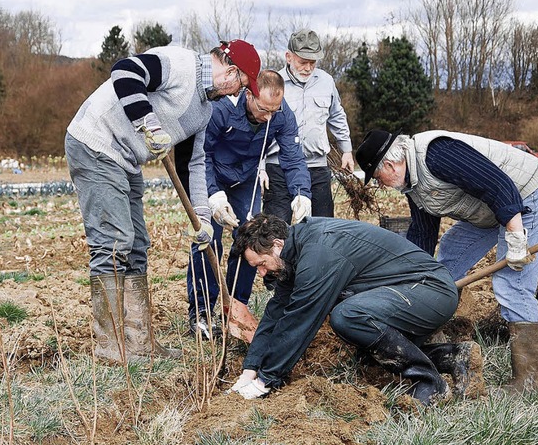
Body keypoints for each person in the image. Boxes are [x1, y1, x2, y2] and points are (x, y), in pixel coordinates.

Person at [64, 39, 261, 362]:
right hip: (96, 142)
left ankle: (140, 342)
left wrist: (202, 219)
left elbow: (194, 164)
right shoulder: (179, 63)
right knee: (114, 243)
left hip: (125, 159)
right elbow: (125, 72)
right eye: (240, 84)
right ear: (230, 70)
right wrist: (148, 122)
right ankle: (109, 346)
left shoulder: (204, 110)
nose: (235, 93)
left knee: (138, 244)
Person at [356, 129, 538, 392]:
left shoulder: (436, 154)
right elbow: (423, 234)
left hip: (528, 193)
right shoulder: (413, 183)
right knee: (449, 255)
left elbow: (497, 185)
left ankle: (528, 382)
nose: (379, 184)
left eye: (376, 178)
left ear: (391, 165)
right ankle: (428, 323)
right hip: (490, 206)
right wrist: (410, 276)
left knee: (513, 284)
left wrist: (517, 237)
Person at [229, 214, 483, 406]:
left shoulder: (319, 253)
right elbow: (276, 315)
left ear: (276, 244)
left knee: (348, 316)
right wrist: (250, 369)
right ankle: (450, 356)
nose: (261, 273)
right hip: (405, 293)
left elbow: (299, 321)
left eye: (261, 264)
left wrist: (265, 380)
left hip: (430, 291)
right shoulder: (295, 254)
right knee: (363, 340)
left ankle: (430, 382)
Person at [187, 70, 312, 338]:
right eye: (263, 109)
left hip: (246, 179)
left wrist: (302, 193)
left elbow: (293, 156)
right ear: (249, 94)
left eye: (274, 111)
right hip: (213, 175)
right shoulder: (219, 110)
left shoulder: (281, 114)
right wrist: (213, 195)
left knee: (250, 239)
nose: (268, 117)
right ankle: (201, 312)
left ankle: (236, 304)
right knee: (207, 239)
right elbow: (201, 155)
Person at [259, 29, 353, 223]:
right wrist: (260, 167)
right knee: (277, 228)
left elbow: (337, 115)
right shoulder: (272, 84)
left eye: (313, 63)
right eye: (303, 62)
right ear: (288, 57)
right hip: (278, 167)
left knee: (322, 227)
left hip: (316, 167)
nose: (308, 68)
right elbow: (259, 128)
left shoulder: (326, 82)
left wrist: (346, 150)